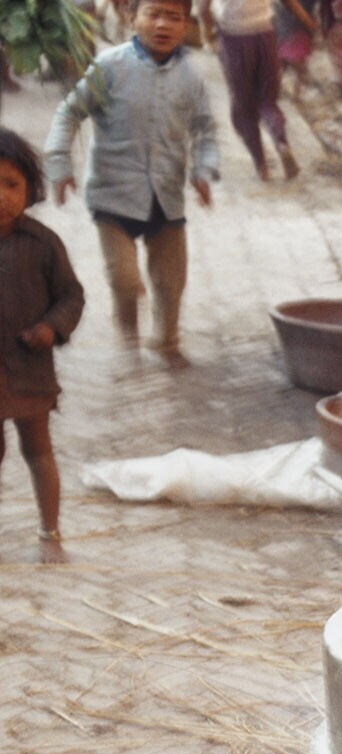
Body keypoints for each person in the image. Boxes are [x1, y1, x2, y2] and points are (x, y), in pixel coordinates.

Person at [45, 0, 219, 370]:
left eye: (173, 17)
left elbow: (205, 130)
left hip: (166, 195)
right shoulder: (109, 66)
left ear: (186, 24)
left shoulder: (191, 75)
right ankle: (128, 337)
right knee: (124, 279)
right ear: (131, 17)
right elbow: (69, 112)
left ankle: (166, 342)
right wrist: (60, 163)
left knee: (171, 281)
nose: (162, 24)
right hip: (113, 194)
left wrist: (204, 170)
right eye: (153, 14)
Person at [0, 128, 86, 565]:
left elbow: (71, 295)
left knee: (38, 451)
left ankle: (50, 532)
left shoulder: (43, 244)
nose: (1, 197)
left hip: (30, 370)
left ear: (30, 188)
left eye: (11, 184)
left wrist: (52, 327)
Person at [200, 0, 298, 180]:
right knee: (269, 102)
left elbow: (204, 8)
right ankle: (281, 141)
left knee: (243, 109)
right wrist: (301, 20)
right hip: (266, 33)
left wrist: (209, 34)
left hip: (233, 36)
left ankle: (262, 167)